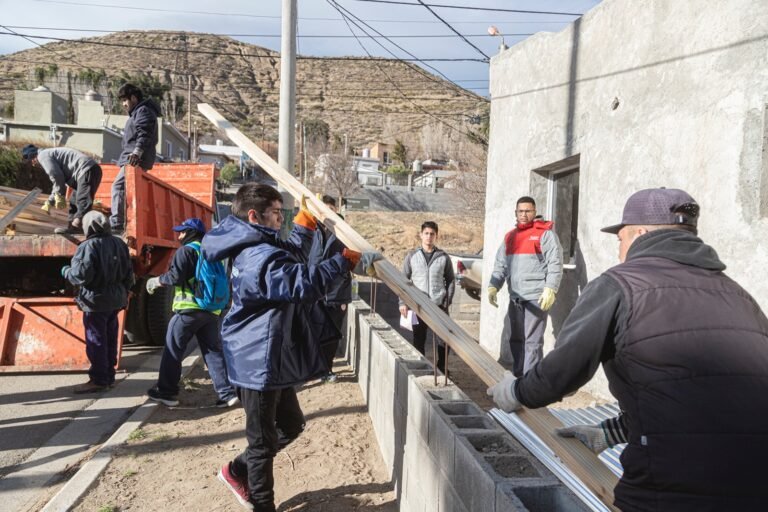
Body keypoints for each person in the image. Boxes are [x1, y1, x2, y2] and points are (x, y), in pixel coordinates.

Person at [486, 188, 768, 511]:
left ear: (641, 233)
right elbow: (687, 394)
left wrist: (516, 392)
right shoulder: (740, 297)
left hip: (668, 489)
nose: (619, 250)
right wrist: (609, 432)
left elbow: (562, 371)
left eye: (620, 238)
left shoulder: (619, 285)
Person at [200, 183, 378, 511]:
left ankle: (236, 469)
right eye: (277, 214)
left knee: (291, 425)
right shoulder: (256, 257)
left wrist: (304, 225)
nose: (281, 220)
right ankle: (261, 503)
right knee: (262, 443)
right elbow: (302, 283)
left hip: (269, 358)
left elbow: (289, 258)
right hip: (255, 363)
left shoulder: (258, 243)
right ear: (255, 215)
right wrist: (343, 261)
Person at [144, 218, 237, 408]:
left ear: (191, 232)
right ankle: (226, 394)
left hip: (189, 311)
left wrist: (156, 281)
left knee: (173, 350)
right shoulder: (211, 252)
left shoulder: (185, 251)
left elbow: (176, 277)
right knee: (212, 352)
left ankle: (167, 392)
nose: (179, 236)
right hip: (211, 311)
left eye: (182, 232)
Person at [488, 196, 562, 377]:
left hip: (536, 298)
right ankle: (519, 376)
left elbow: (555, 262)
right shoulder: (511, 237)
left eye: (528, 211)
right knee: (516, 339)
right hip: (516, 298)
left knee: (532, 342)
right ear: (516, 213)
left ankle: (530, 383)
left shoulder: (545, 234)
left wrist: (550, 288)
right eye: (520, 211)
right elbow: (501, 264)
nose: (524, 215)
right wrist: (493, 285)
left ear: (534, 212)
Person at [61, 211, 134, 393]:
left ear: (88, 227)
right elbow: (129, 274)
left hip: (95, 301)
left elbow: (80, 276)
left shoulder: (88, 246)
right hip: (116, 299)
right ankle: (109, 376)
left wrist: (66, 271)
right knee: (110, 339)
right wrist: (124, 292)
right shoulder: (119, 243)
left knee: (96, 340)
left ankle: (99, 379)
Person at [398, 221, 455, 373]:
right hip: (419, 304)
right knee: (419, 337)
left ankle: (442, 367)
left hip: (438, 305)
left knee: (444, 339)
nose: (429, 237)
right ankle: (421, 366)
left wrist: (447, 300)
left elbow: (450, 279)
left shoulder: (443, 257)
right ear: (421, 235)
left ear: (436, 236)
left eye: (432, 234)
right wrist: (402, 302)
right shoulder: (411, 256)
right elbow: (403, 280)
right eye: (426, 233)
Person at [311, 194, 353, 383]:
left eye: (330, 208)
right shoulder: (313, 229)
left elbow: (353, 259)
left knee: (332, 334)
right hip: (314, 290)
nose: (327, 212)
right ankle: (315, 368)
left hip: (337, 292)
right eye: (324, 208)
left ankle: (327, 369)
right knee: (314, 332)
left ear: (335, 210)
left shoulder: (344, 232)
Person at [110, 83, 159, 232]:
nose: (124, 104)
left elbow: (144, 133)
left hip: (134, 158)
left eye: (125, 100)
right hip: (134, 157)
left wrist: (137, 152)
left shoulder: (143, 111)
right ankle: (123, 221)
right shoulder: (140, 112)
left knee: (118, 187)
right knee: (128, 190)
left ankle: (116, 224)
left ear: (133, 98)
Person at [21, 144, 103, 235]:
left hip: (87, 170)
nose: (33, 165)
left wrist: (60, 195)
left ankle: (77, 226)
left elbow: (57, 176)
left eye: (31, 162)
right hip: (86, 171)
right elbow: (57, 180)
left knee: (82, 200)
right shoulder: (48, 154)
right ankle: (72, 228)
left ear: (33, 157)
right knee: (74, 201)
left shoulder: (42, 156)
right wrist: (50, 201)